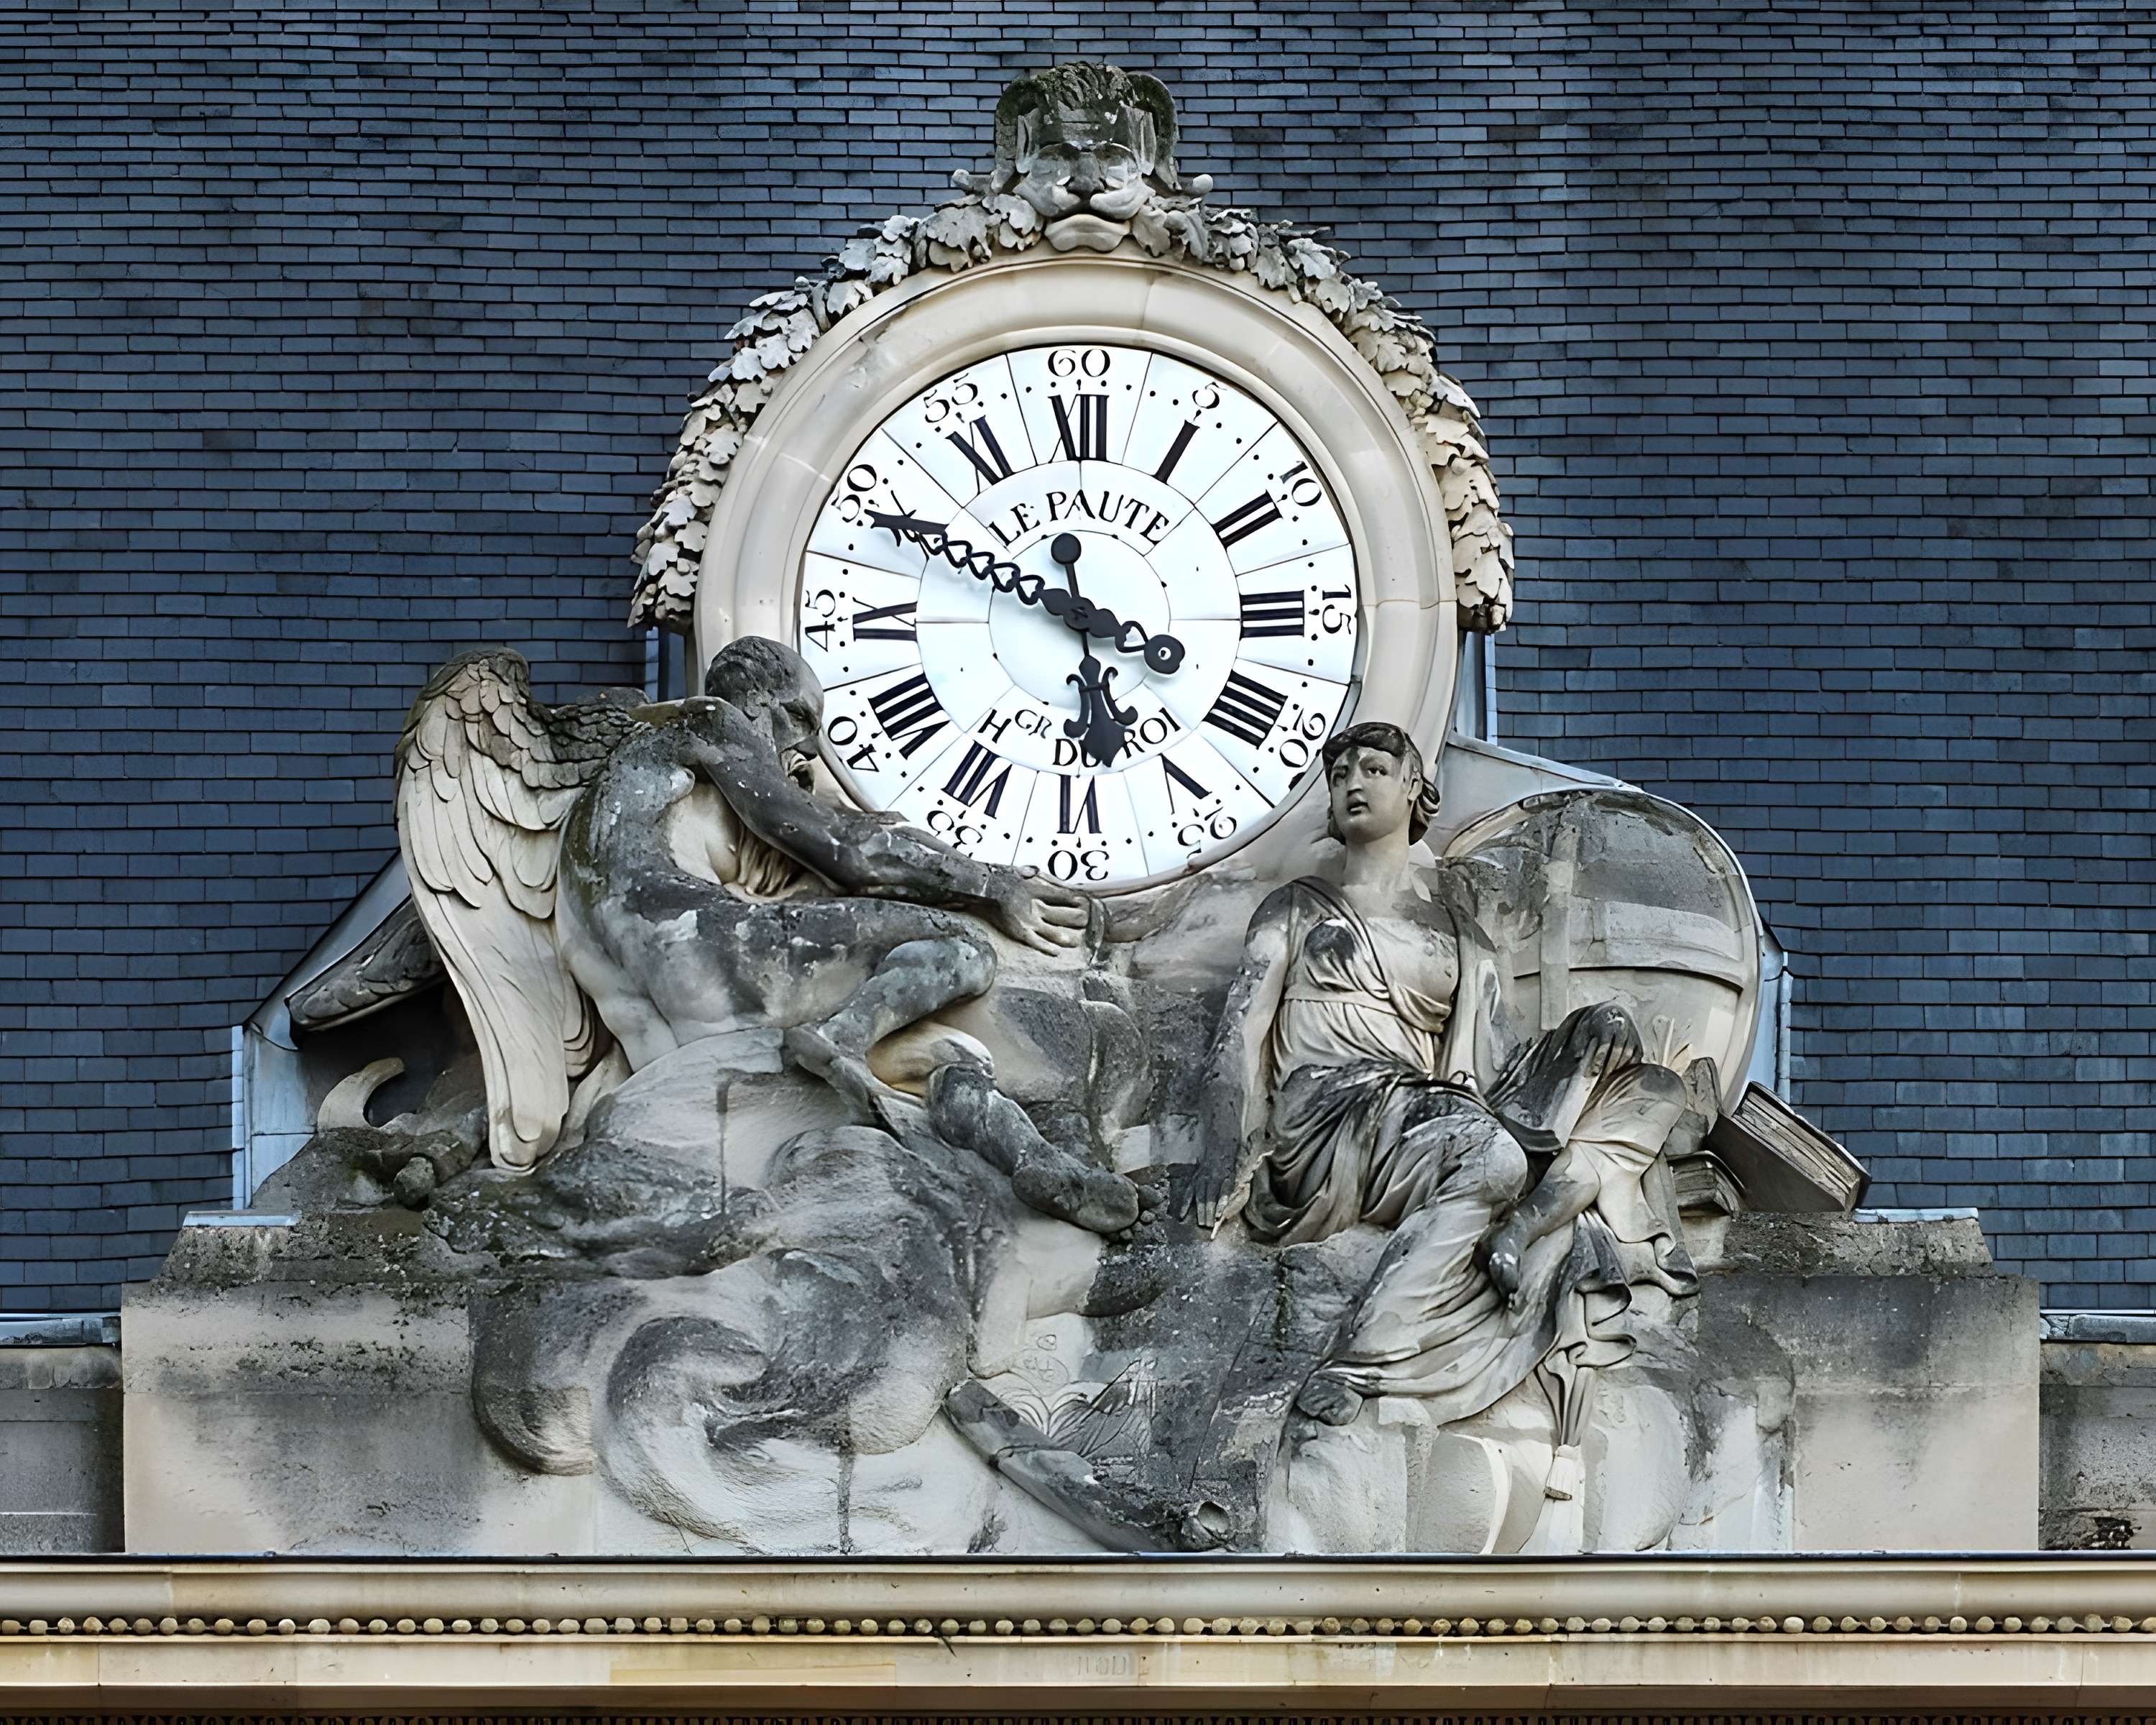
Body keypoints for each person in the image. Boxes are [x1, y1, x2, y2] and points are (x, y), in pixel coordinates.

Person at [1181, 722, 1695, 1430]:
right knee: (1489, 1153)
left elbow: (1500, 1059)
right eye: (1340, 775)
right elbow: (1241, 1030)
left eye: (1373, 768)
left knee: (1653, 1090)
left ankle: (1519, 1226)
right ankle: (1358, 1357)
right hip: (1332, 1110)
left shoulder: (1455, 924)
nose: (1353, 783)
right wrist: (1220, 1148)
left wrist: (1596, 1032)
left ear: (1417, 790)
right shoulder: (1296, 907)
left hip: (1431, 1105)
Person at [554, 636, 1139, 1235]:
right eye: (800, 718)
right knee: (960, 950)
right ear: (755, 699)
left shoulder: (628, 797)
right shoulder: (709, 719)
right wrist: (992, 885)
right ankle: (841, 1035)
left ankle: (1035, 1162)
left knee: (950, 1055)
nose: (807, 745)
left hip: (671, 1030)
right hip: (712, 943)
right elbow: (842, 851)